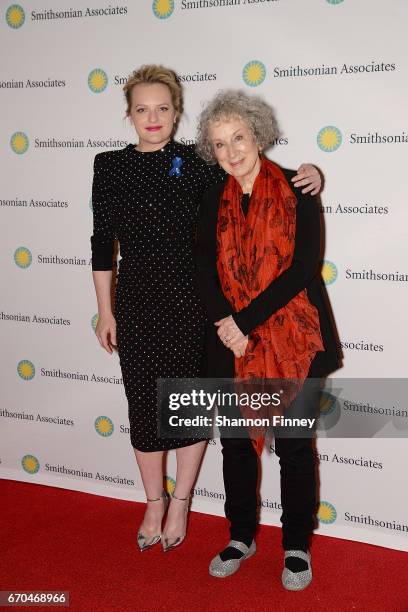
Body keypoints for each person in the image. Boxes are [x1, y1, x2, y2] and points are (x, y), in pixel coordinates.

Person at [90, 65, 323, 554]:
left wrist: (315, 172)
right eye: (142, 109)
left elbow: (293, 249)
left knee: (242, 428)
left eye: (163, 108)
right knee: (182, 422)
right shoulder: (130, 168)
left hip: (239, 322)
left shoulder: (236, 173)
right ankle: (190, 515)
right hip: (173, 314)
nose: (153, 117)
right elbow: (114, 246)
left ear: (176, 113)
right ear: (128, 114)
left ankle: (225, 519)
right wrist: (106, 310)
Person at [195, 90, 341, 589]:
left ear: (257, 134)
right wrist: (225, 324)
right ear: (210, 151)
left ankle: (296, 545)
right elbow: (202, 267)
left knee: (295, 445)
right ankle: (241, 536)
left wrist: (245, 322)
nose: (232, 151)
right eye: (219, 144)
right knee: (236, 445)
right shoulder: (210, 196)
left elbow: (303, 268)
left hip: (295, 340)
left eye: (238, 137)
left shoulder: (299, 188)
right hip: (230, 343)